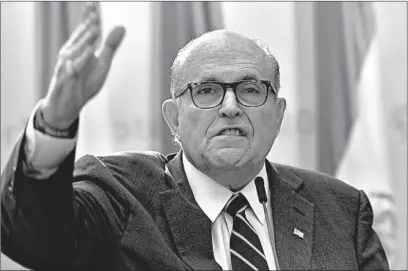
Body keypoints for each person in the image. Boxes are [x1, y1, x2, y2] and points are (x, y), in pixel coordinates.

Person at [1, 3, 389, 271]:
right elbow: (35, 241)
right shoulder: (119, 192)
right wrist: (56, 120)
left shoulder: (342, 210)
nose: (231, 107)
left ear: (279, 113)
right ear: (174, 118)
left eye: (251, 89)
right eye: (206, 91)